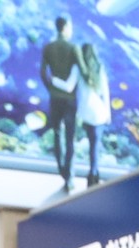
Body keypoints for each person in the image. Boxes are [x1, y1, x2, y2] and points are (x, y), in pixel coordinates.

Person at [40, 16, 82, 188]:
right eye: (70, 27)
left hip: (55, 97)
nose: (71, 30)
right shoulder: (73, 48)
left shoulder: (48, 48)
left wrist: (50, 88)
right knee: (70, 137)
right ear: (65, 28)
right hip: (70, 99)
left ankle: (61, 169)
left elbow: (43, 72)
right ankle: (69, 175)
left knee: (57, 133)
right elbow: (83, 70)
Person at [73, 35, 111, 189]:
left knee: (90, 144)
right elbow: (105, 93)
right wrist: (108, 113)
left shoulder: (78, 70)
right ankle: (93, 174)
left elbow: (77, 93)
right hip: (99, 112)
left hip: (85, 112)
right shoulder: (100, 68)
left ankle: (92, 173)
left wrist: (77, 115)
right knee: (96, 145)